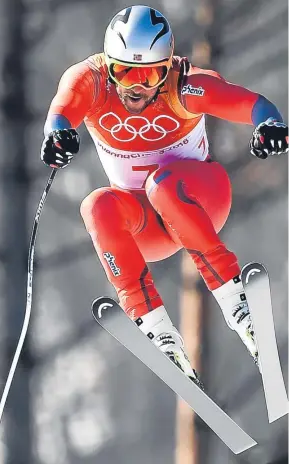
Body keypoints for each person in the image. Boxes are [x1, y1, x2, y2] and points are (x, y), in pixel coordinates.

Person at [40, 5, 288, 385]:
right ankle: (156, 329)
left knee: (163, 185)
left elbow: (253, 104)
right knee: (97, 206)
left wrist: (269, 125)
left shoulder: (184, 86)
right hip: (147, 229)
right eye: (125, 72)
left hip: (200, 199)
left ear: (168, 66)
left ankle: (237, 306)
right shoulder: (90, 81)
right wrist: (58, 134)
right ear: (108, 65)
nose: (137, 88)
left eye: (151, 74)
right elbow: (61, 111)